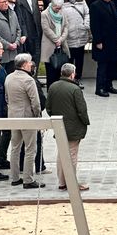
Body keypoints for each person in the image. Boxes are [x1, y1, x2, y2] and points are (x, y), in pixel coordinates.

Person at [45, 62, 90, 191]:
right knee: (72, 155)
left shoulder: (53, 86)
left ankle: (62, 182)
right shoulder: (75, 89)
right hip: (74, 128)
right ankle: (71, 183)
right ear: (72, 74)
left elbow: (48, 107)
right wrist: (85, 122)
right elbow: (82, 110)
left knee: (61, 154)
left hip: (59, 125)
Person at [5, 53, 43, 189]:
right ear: (24, 65)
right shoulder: (28, 80)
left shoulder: (9, 77)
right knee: (30, 149)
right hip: (27, 117)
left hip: (13, 116)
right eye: (29, 62)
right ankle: (28, 179)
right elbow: (36, 102)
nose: (31, 64)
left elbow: (7, 98)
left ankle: (15, 177)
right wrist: (37, 115)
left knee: (15, 147)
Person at [89, 0, 117, 97]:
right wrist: (98, 41)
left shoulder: (112, 3)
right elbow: (94, 26)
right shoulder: (95, 6)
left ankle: (109, 85)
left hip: (113, 41)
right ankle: (100, 88)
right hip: (102, 42)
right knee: (102, 66)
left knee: (111, 64)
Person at [60, 0, 90, 85]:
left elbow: (87, 13)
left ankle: (77, 78)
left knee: (79, 59)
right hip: (68, 35)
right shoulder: (61, 0)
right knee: (69, 58)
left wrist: (85, 25)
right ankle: (68, 78)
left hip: (81, 33)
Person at [14, 0, 43, 68]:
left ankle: (35, 76)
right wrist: (23, 33)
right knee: (26, 57)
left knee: (37, 55)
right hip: (26, 30)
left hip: (36, 30)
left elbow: (36, 12)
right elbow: (18, 16)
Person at [41, 0, 70, 88]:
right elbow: (46, 29)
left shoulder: (63, 11)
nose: (58, 10)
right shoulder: (45, 14)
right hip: (50, 44)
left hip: (62, 43)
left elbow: (66, 26)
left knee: (60, 70)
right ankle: (51, 90)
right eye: (56, 8)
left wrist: (61, 39)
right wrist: (56, 40)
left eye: (60, 8)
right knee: (51, 71)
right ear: (52, 5)